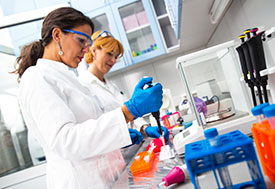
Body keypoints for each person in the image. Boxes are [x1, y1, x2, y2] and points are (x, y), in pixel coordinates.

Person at [13, 7, 163, 189]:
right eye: (81, 40)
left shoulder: (71, 79)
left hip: (111, 178)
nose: (86, 49)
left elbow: (92, 128)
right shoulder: (37, 77)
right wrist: (128, 111)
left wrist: (120, 137)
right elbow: (66, 141)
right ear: (57, 34)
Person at [78, 30, 169, 144]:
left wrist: (145, 128)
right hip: (110, 154)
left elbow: (130, 115)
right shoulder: (83, 86)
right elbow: (94, 130)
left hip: (129, 153)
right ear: (94, 50)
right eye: (109, 54)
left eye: (116, 56)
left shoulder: (112, 86)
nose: (113, 60)